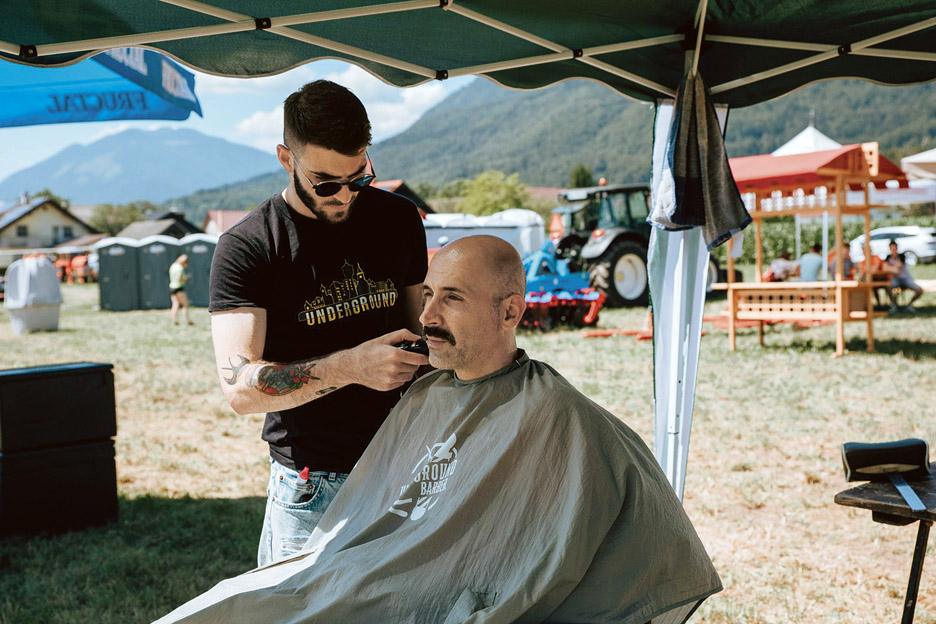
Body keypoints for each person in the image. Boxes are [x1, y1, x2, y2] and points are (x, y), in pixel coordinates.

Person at [157, 236, 722, 624]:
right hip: (352, 575)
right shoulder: (428, 393)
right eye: (428, 295)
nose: (427, 317)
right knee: (226, 605)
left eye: (452, 298)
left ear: (510, 313)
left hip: (414, 599)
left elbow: (649, 543)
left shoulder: (561, 417)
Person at [208, 80, 429, 568]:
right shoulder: (248, 246)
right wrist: (351, 366)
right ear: (287, 158)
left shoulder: (399, 219)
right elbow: (241, 390)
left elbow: (422, 328)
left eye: (360, 177)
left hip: (406, 463)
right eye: (326, 183)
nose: (345, 195)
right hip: (313, 484)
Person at [882, 239, 923, 313]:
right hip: (895, 280)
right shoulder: (888, 257)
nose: (893, 250)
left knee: (919, 290)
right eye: (892, 248)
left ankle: (909, 305)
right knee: (888, 287)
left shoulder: (901, 256)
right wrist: (892, 269)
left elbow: (897, 270)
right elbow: (885, 269)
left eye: (895, 248)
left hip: (905, 279)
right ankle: (894, 305)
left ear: (897, 248)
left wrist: (889, 268)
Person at [169, 254, 192, 325]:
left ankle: (174, 320)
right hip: (179, 288)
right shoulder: (180, 268)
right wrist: (186, 279)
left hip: (172, 287)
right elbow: (179, 279)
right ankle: (187, 320)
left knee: (175, 304)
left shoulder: (173, 266)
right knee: (185, 304)